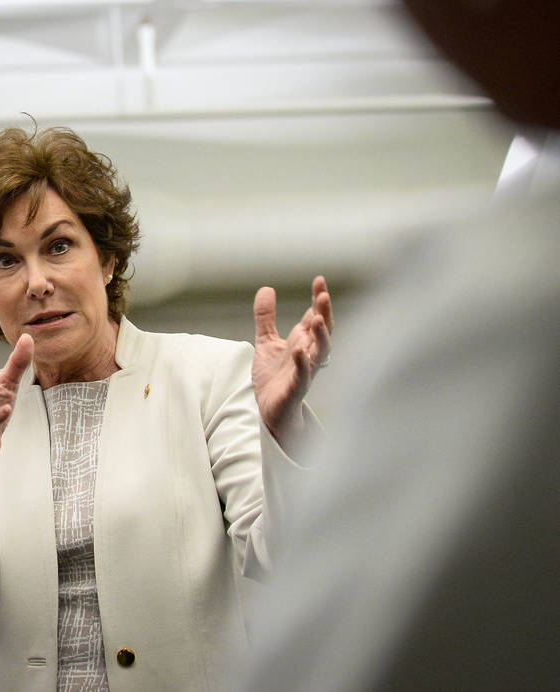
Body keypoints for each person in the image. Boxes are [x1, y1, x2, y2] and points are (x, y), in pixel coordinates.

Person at [0, 125, 333, 690]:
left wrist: (284, 430)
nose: (37, 283)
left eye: (58, 246)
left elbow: (286, 555)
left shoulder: (205, 377)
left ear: (106, 258)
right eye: (5, 260)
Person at [237, 1, 560, 690]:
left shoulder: (506, 298)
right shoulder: (526, 192)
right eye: (2, 258)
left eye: (59, 247)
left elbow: (318, 603)